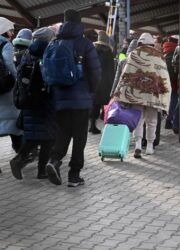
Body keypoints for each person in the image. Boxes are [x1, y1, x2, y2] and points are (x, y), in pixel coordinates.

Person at [45, 9, 102, 187]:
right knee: (79, 137)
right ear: (80, 23)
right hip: (81, 98)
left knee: (63, 132)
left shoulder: (55, 42)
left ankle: (53, 160)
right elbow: (95, 72)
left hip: (60, 97)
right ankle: (74, 175)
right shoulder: (85, 44)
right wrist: (92, 91)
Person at [113, 32, 171, 158]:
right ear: (151, 43)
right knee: (152, 121)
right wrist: (165, 96)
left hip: (136, 95)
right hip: (153, 95)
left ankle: (138, 145)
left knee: (138, 121)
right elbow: (164, 77)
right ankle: (150, 146)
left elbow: (125, 75)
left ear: (139, 42)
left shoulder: (134, 54)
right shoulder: (159, 56)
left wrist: (118, 93)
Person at [10, 27, 56, 180]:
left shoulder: (28, 52)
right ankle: (35, 168)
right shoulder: (47, 52)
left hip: (29, 100)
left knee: (36, 135)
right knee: (47, 137)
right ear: (48, 38)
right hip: (44, 100)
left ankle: (30, 165)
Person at [0, 17, 23, 153]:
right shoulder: (6, 45)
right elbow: (9, 63)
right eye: (10, 30)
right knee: (14, 121)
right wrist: (16, 77)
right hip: (4, 87)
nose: (12, 33)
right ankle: (20, 152)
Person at [90, 31, 114, 134]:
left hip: (94, 81)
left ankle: (92, 125)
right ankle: (107, 126)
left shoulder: (92, 50)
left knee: (94, 104)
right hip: (105, 82)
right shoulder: (108, 52)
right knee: (107, 105)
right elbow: (110, 70)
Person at [163, 35, 179, 130]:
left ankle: (168, 120)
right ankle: (169, 121)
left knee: (170, 101)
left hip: (165, 81)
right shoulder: (174, 51)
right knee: (174, 101)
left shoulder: (164, 51)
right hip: (173, 82)